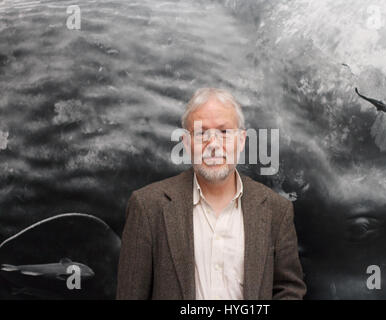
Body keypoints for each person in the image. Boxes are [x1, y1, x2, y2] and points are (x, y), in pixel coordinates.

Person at [116, 88, 306, 299]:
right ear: (186, 143)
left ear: (241, 140)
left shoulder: (276, 210)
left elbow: (289, 291)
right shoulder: (147, 207)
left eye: (224, 133)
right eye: (201, 133)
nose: (213, 145)